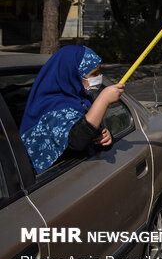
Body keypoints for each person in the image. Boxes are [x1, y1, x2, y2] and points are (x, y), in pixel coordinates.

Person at [19, 46, 125, 174]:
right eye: (93, 74)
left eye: (99, 72)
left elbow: (88, 130)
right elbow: (77, 140)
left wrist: (106, 138)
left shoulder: (80, 99)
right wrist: (103, 100)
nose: (99, 77)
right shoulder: (50, 105)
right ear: (72, 74)